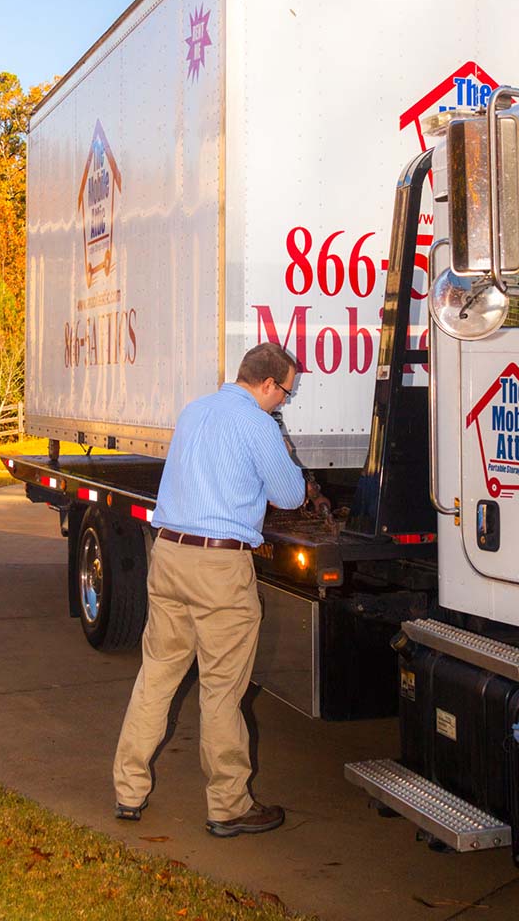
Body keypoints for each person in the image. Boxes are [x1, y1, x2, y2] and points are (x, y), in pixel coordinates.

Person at [113, 341, 324, 837]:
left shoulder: (195, 410)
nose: (284, 403)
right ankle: (228, 806)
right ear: (268, 384)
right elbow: (289, 495)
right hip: (219, 568)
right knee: (222, 691)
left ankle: (128, 790)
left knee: (156, 679)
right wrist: (289, 460)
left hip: (167, 556)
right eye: (286, 394)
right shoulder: (257, 422)